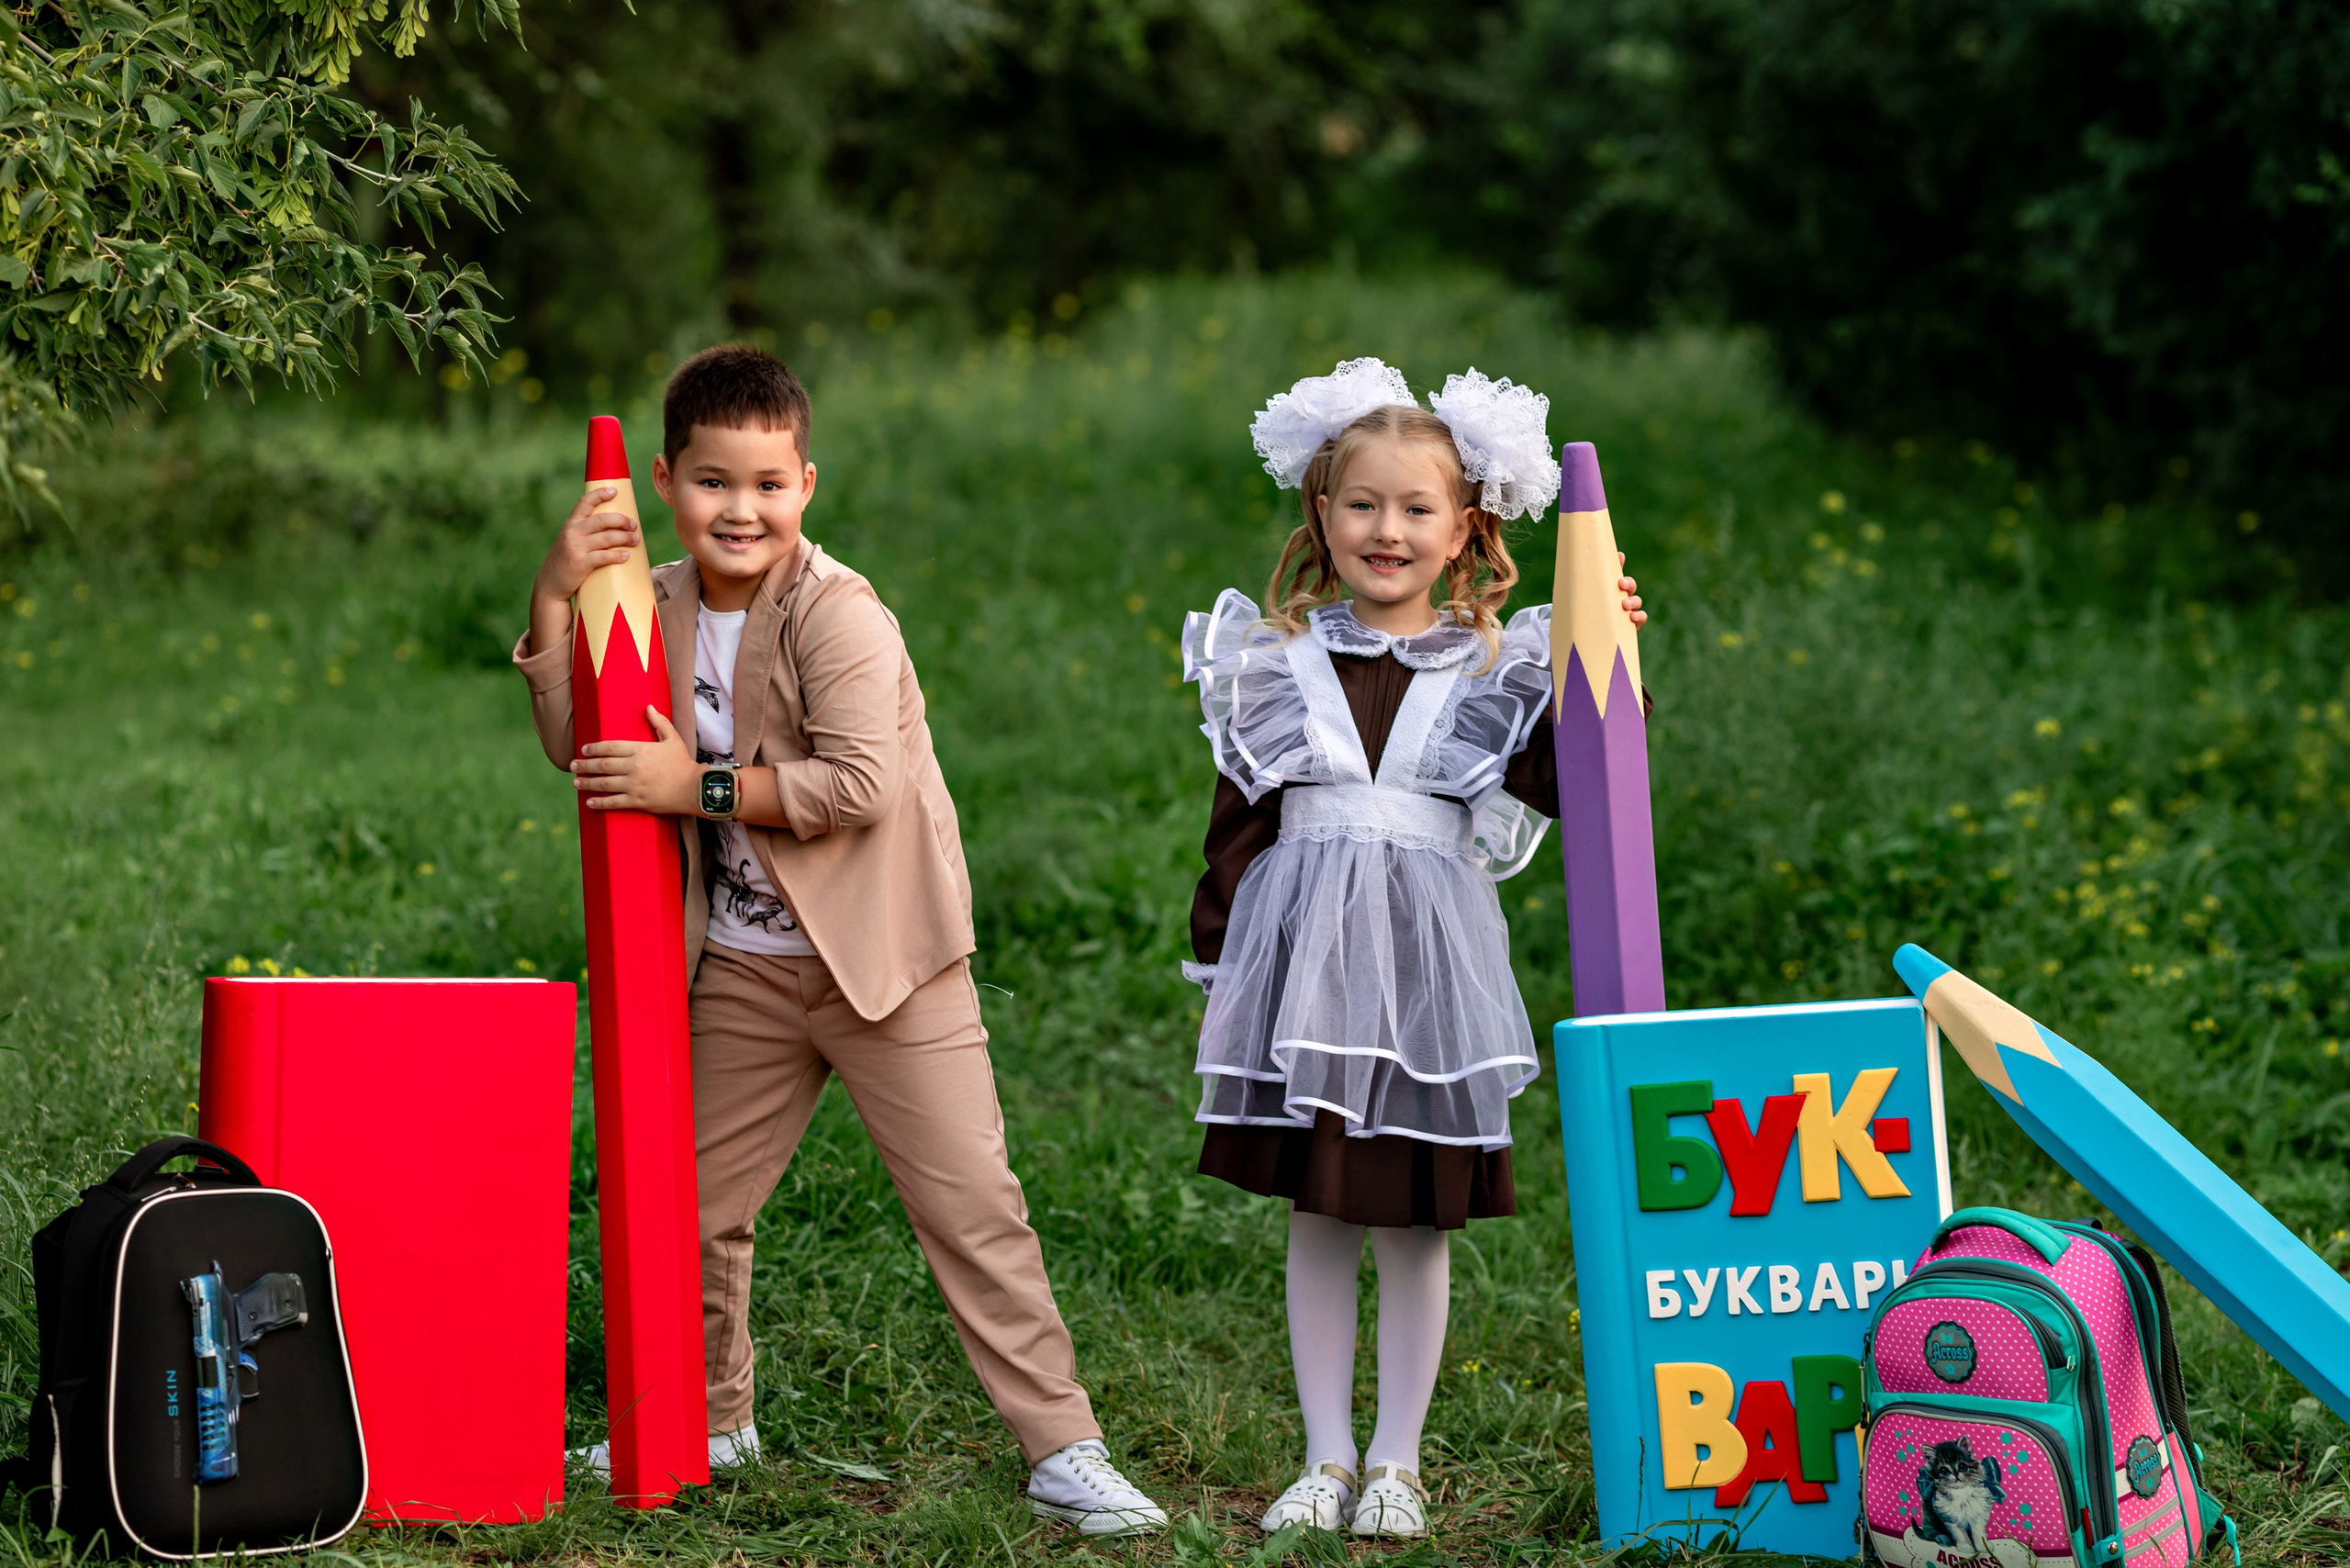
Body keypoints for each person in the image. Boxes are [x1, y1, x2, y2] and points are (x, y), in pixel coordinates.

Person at [515, 344, 1166, 1536]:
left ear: (805, 484)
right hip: (747, 967)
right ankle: (710, 1418)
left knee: (971, 1204)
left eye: (767, 485)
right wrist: (557, 594)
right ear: (667, 480)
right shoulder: (649, 604)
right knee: (687, 1202)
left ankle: (1065, 1448)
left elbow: (857, 785)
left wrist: (692, 785)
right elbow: (581, 749)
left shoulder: (838, 610)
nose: (741, 510)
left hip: (886, 962)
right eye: (715, 483)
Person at [1180, 358, 1648, 1540]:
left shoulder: (1500, 670)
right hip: (1302, 979)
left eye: (1416, 508)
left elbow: (1576, 778)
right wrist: (1224, 966)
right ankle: (1325, 1456)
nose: (1386, 529)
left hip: (1428, 984)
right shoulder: (1274, 664)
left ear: (1464, 530)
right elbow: (1238, 827)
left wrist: (1607, 653)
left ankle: (1398, 1460)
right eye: (1362, 504)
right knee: (1320, 1212)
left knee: (1412, 1217)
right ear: (1321, 516)